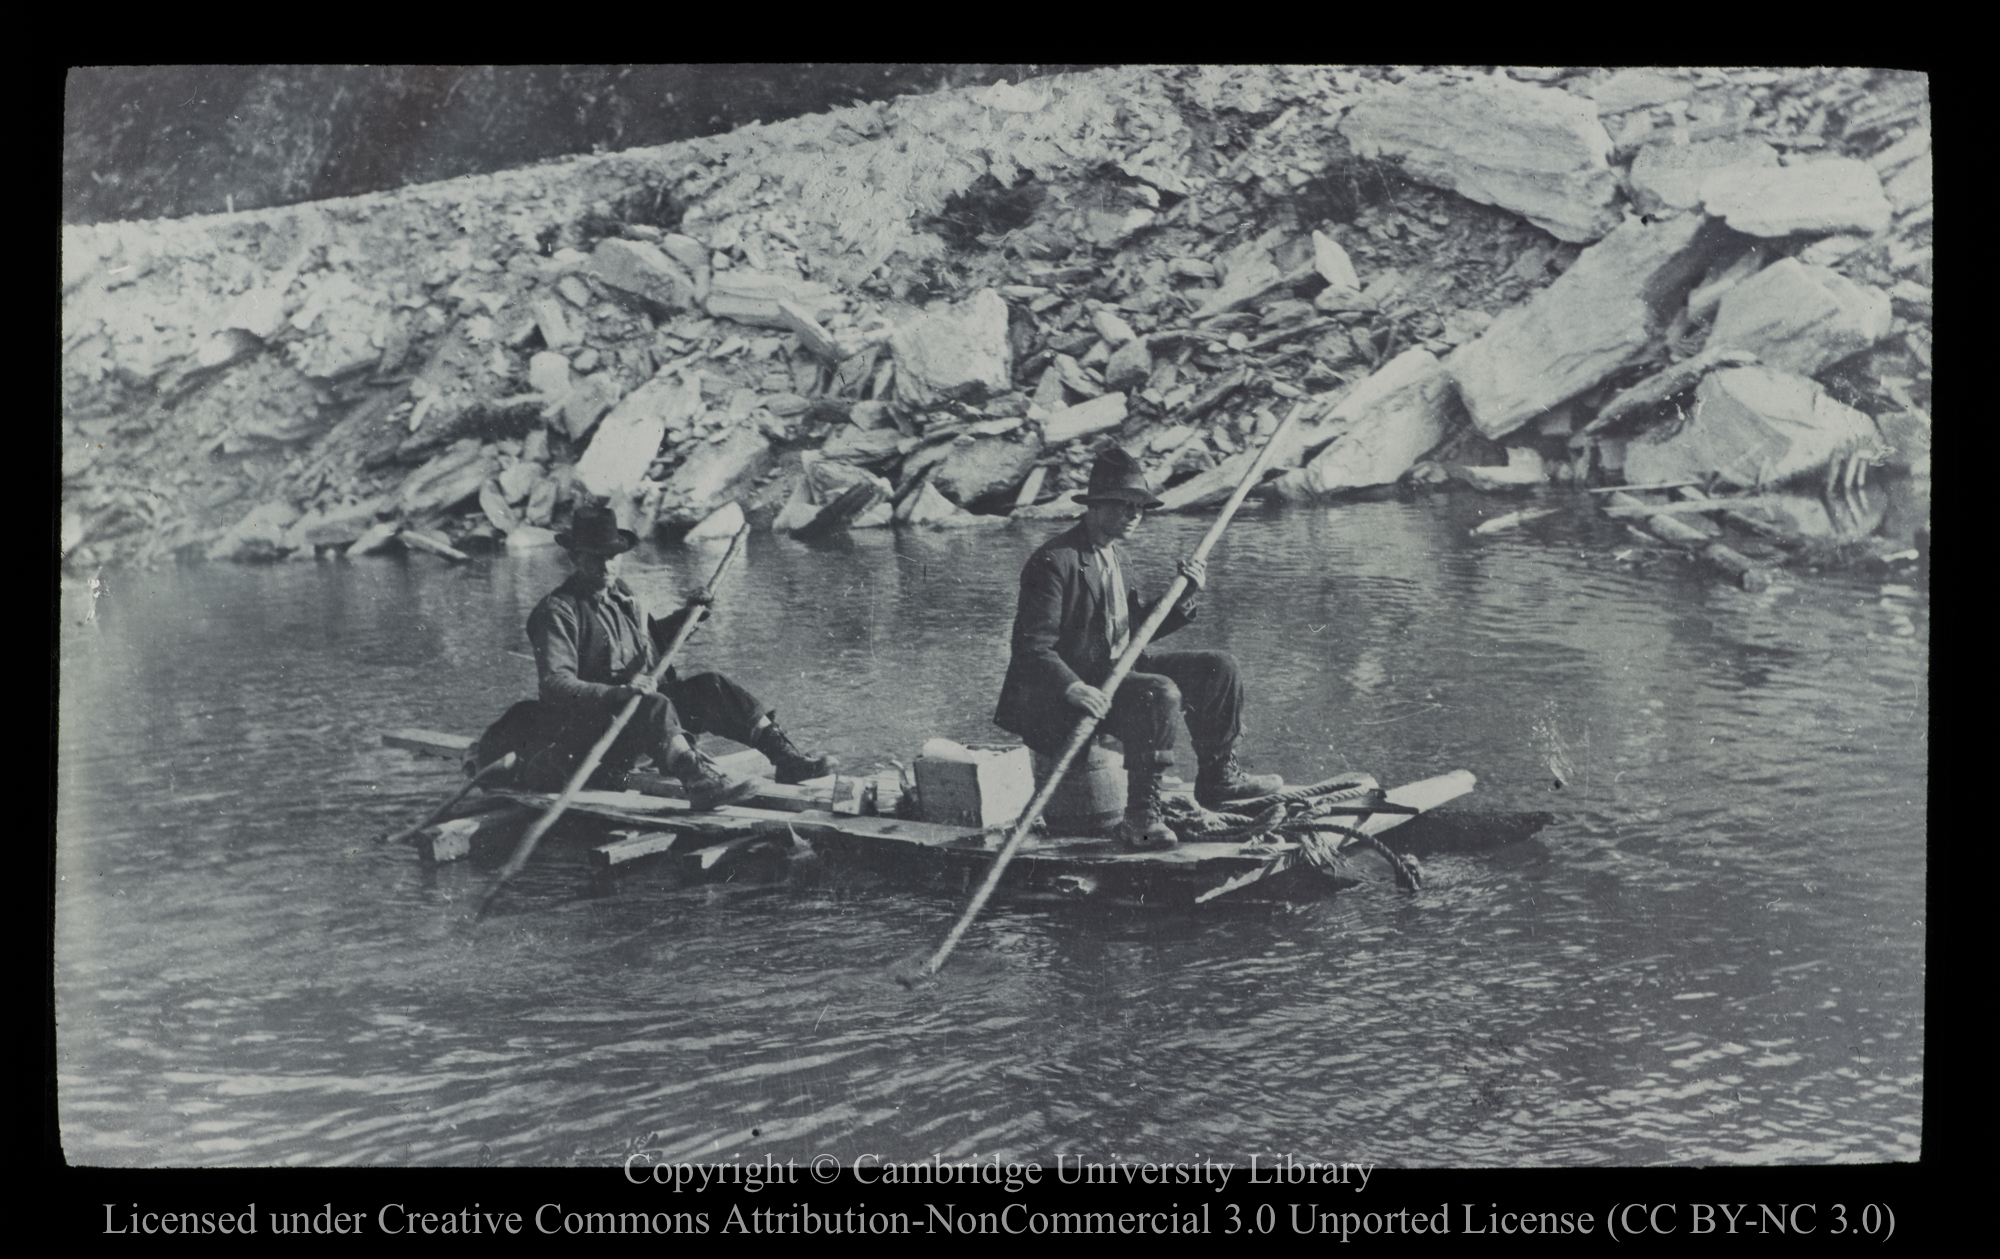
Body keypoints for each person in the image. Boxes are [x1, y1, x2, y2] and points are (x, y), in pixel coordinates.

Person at [993, 448, 1282, 849]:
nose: (1134, 515)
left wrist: (1184, 597)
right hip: (1066, 694)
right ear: (1095, 506)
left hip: (1115, 673)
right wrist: (1074, 688)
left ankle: (1218, 779)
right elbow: (1031, 649)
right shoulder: (1054, 561)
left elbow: (1133, 633)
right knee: (1157, 692)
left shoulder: (1117, 557)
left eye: (1140, 508)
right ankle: (1141, 817)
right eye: (1124, 506)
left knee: (1220, 667)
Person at [507, 504, 831, 810]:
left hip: (641, 716)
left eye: (612, 556)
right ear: (575, 557)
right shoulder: (557, 612)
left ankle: (787, 760)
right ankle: (700, 783)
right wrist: (620, 693)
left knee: (712, 686)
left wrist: (690, 615)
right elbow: (555, 684)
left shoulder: (621, 594)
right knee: (655, 704)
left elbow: (653, 644)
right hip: (592, 733)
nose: (607, 566)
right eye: (595, 558)